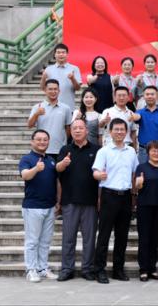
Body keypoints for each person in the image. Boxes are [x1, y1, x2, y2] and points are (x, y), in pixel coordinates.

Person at [92, 118, 140, 284]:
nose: (119, 132)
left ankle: (118, 270)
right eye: (116, 129)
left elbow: (135, 172)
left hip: (126, 196)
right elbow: (95, 172)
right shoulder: (104, 151)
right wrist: (99, 175)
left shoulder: (131, 151)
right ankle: (99, 270)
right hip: (109, 195)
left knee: (122, 235)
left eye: (122, 129)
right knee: (104, 235)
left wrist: (135, 193)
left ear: (126, 132)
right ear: (110, 132)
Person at [56, 118, 99, 281]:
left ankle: (87, 269)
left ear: (87, 130)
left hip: (90, 201)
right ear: (71, 131)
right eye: (74, 128)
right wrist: (63, 163)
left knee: (89, 239)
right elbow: (57, 169)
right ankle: (67, 268)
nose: (78, 130)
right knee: (68, 238)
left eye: (81, 128)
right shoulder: (65, 149)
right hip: (70, 201)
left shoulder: (96, 150)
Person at [19, 129, 58, 283]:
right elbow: (25, 175)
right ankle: (31, 269)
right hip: (33, 206)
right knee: (32, 241)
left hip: (50, 206)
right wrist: (36, 169)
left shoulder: (51, 160)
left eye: (45, 139)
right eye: (39, 139)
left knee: (45, 241)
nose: (42, 142)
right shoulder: (27, 159)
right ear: (32, 141)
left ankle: (42, 268)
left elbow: (56, 182)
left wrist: (58, 201)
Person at [134, 141, 158, 282]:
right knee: (144, 238)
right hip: (144, 206)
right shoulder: (141, 167)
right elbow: (137, 186)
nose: (156, 153)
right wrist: (139, 183)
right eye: (153, 150)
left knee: (155, 239)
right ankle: (143, 269)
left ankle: (152, 268)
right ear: (148, 152)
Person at [28, 79, 72, 160]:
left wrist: (63, 140)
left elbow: (68, 128)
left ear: (59, 91)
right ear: (45, 90)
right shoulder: (37, 107)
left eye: (55, 89)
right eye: (50, 89)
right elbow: (29, 125)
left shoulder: (66, 108)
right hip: (41, 149)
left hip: (60, 149)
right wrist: (36, 114)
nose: (53, 91)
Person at [135, 86, 158, 164]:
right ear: (143, 97)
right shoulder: (139, 112)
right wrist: (134, 117)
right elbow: (136, 118)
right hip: (144, 151)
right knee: (143, 171)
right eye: (147, 94)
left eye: (152, 94)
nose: (150, 96)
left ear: (157, 96)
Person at [40, 43, 81, 110]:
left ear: (67, 54)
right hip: (52, 107)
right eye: (58, 52)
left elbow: (78, 88)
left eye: (63, 52)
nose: (61, 54)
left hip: (69, 107)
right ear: (55, 55)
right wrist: (43, 78)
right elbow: (42, 88)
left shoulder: (74, 68)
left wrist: (72, 78)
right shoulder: (48, 69)